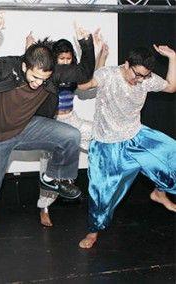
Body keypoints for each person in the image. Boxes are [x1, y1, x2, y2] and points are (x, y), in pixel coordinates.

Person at [0, 13, 95, 278]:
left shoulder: (51, 73)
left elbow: (83, 73)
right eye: (34, 78)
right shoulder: (7, 67)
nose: (38, 84)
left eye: (43, 80)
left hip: (25, 129)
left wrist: (86, 43)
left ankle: (53, 178)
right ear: (24, 66)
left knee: (69, 135)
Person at [78, 44, 176, 249]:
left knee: (171, 155)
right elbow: (84, 85)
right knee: (101, 194)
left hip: (136, 137)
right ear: (126, 64)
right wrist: (88, 49)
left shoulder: (146, 80)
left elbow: (171, 86)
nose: (140, 80)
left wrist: (173, 57)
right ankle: (94, 231)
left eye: (145, 76)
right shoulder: (109, 75)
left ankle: (159, 192)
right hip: (107, 144)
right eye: (137, 74)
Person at [25, 29, 109, 227]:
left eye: (68, 58)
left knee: (100, 136)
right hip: (51, 124)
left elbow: (90, 82)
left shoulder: (73, 74)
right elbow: (30, 69)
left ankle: (102, 183)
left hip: (71, 120)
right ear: (54, 58)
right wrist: (28, 46)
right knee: (49, 168)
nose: (64, 62)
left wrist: (100, 55)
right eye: (61, 58)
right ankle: (44, 207)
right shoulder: (48, 74)